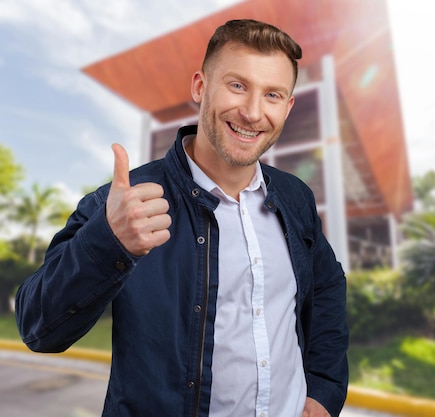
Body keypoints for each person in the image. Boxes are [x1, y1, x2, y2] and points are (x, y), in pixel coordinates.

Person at [15, 19, 349, 417]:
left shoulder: (295, 197)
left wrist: (323, 391)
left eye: (273, 94)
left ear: (288, 106)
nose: (253, 112)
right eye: (237, 85)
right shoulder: (123, 204)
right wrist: (108, 241)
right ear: (200, 87)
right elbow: (38, 327)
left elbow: (327, 289)